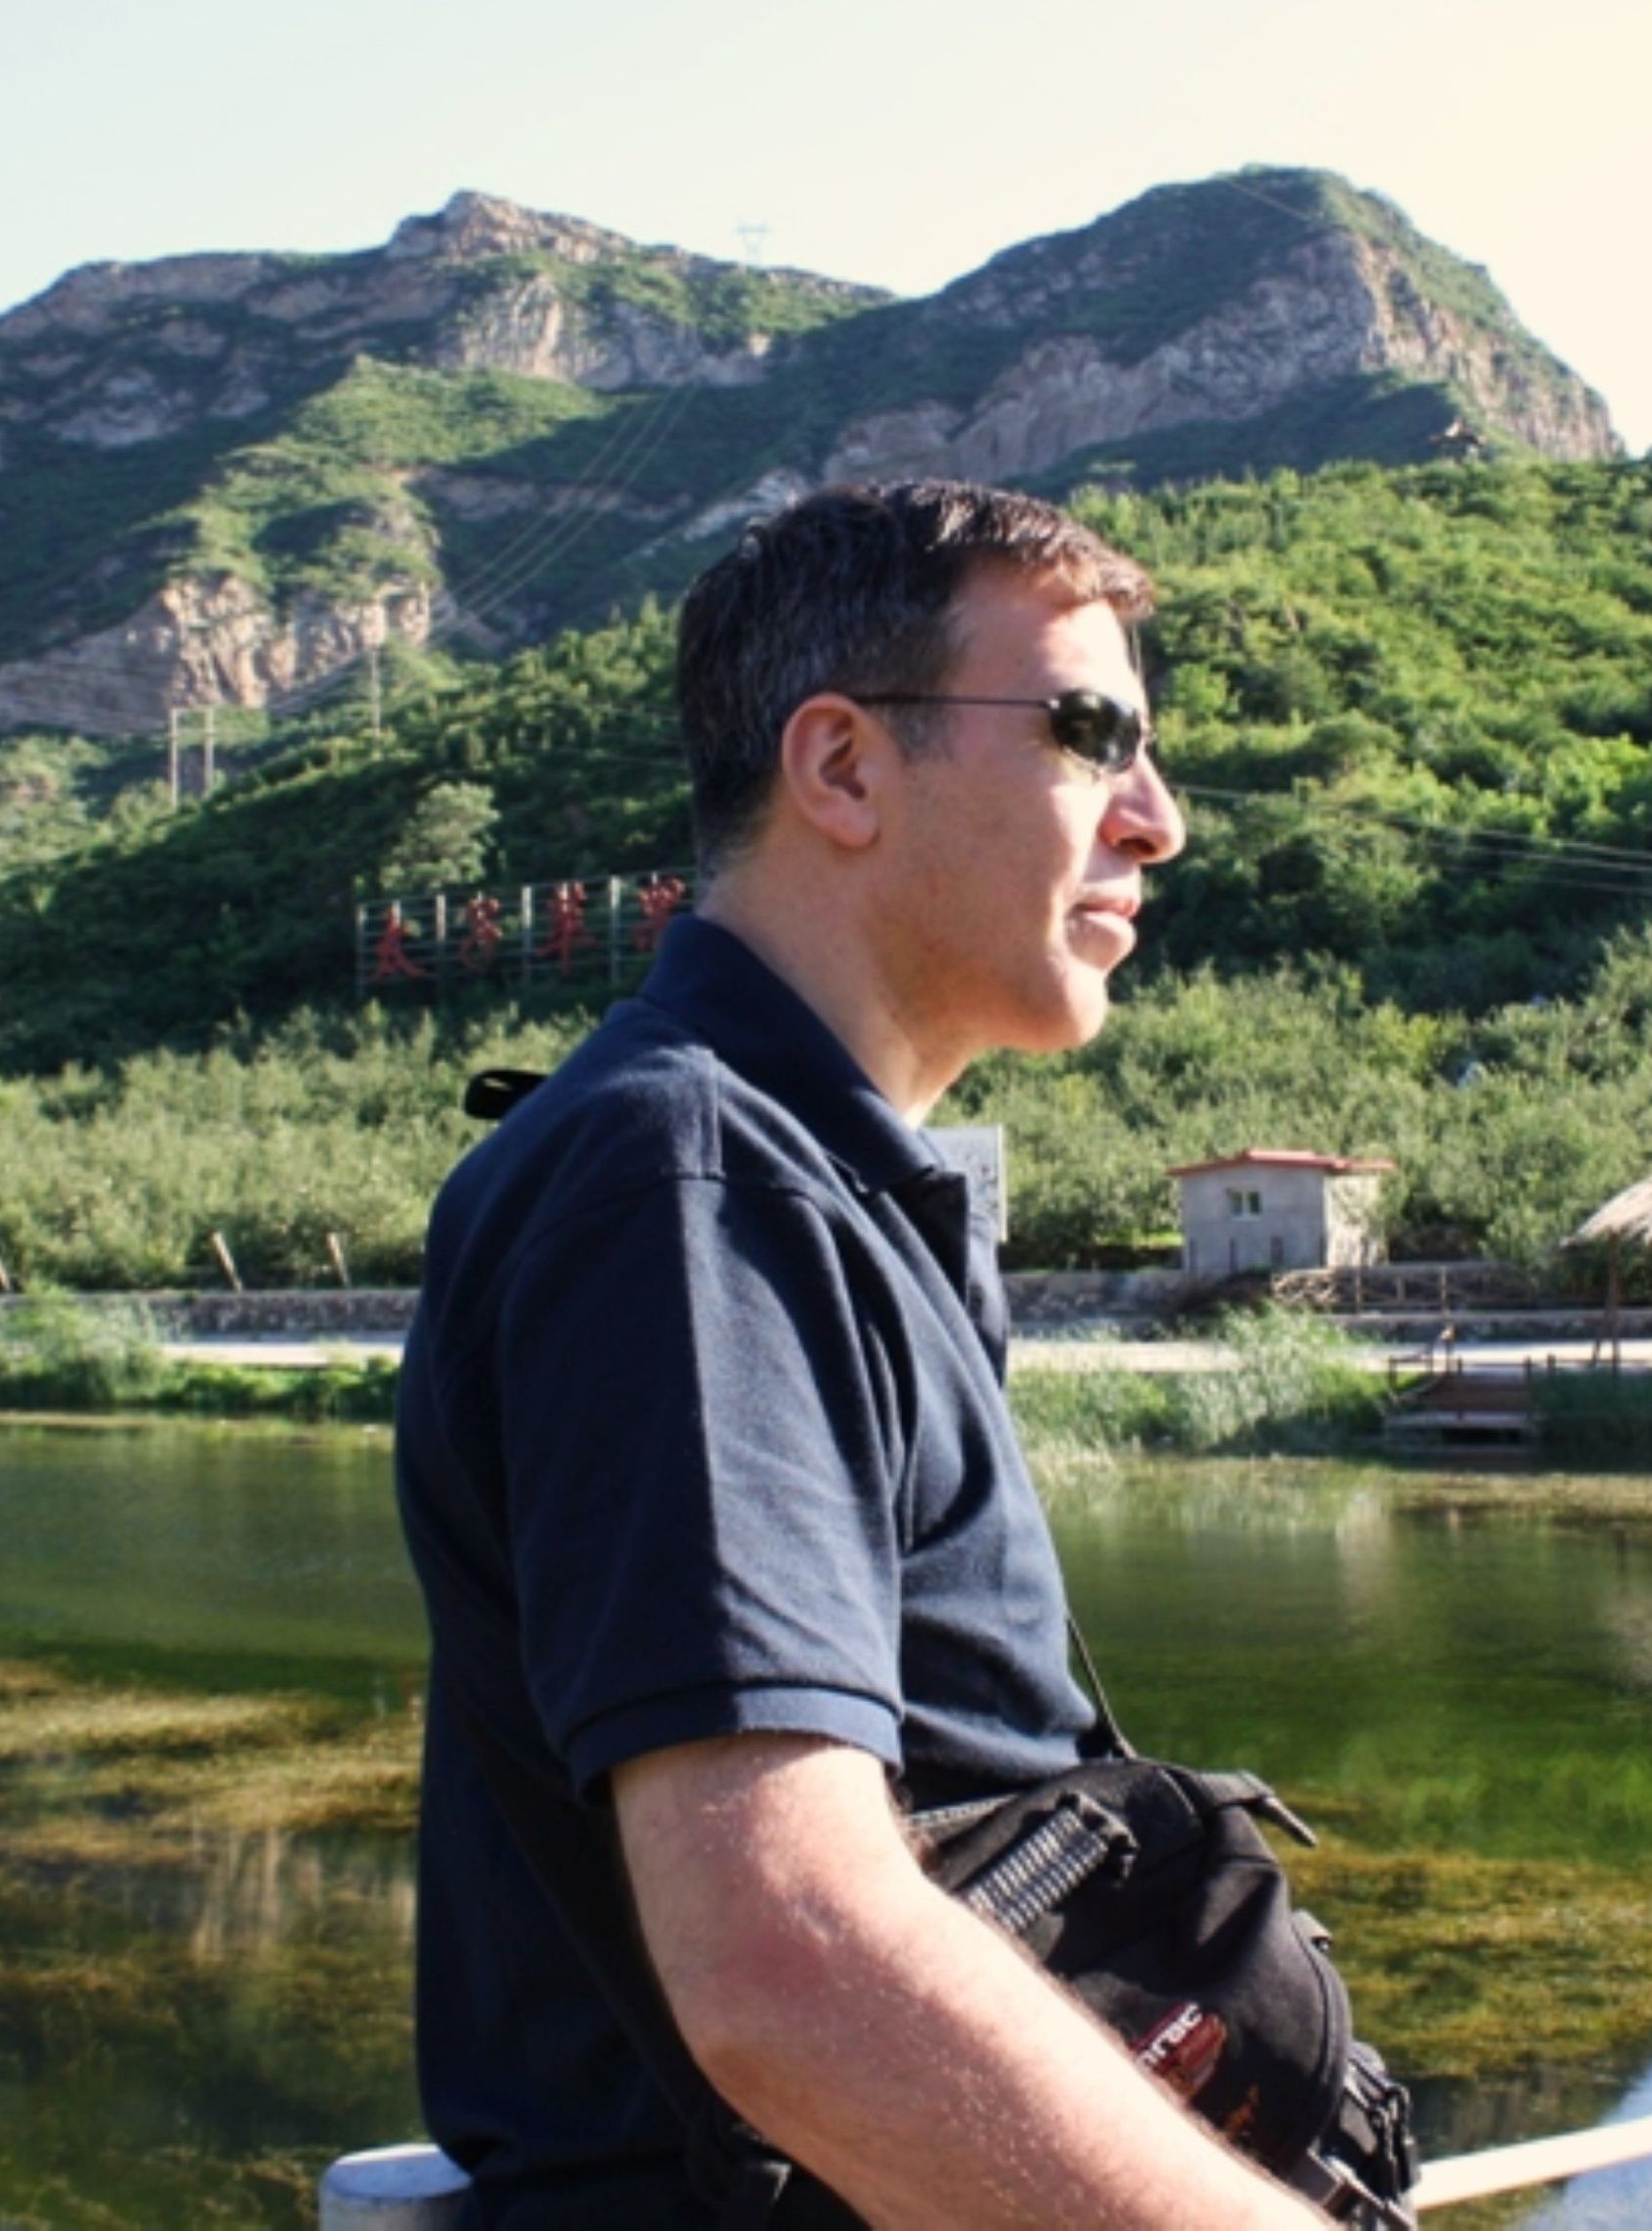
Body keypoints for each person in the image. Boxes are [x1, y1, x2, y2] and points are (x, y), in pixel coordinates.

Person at [394, 481, 1331, 2227]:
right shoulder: (687, 1183)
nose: (1160, 819)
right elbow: (786, 1959)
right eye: (1089, 733)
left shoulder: (791, 1184)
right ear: (840, 770)